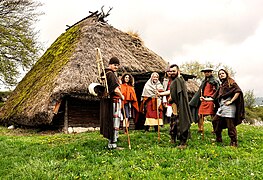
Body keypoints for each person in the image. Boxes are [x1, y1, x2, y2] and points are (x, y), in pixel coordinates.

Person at [201, 69, 245, 147]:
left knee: (230, 125)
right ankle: (218, 138)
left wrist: (231, 101)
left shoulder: (231, 82)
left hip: (229, 108)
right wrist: (205, 99)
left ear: (226, 74)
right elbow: (214, 97)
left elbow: (238, 91)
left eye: (222, 73)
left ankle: (234, 142)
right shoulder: (221, 85)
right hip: (222, 108)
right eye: (220, 74)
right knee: (215, 121)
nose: (221, 75)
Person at [100, 57, 125, 150]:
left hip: (109, 101)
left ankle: (112, 142)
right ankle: (113, 144)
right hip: (114, 101)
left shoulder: (105, 74)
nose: (116, 67)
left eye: (117, 65)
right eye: (115, 65)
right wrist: (122, 96)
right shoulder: (110, 74)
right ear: (110, 64)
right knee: (114, 121)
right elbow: (115, 89)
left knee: (111, 121)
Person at [168, 64, 193, 149]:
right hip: (175, 106)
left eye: (173, 71)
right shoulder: (175, 81)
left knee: (181, 122)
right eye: (170, 71)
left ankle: (183, 143)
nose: (171, 73)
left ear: (178, 71)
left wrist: (171, 99)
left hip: (180, 105)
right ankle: (173, 138)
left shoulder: (179, 80)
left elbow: (178, 94)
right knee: (174, 122)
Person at [189, 67, 220, 133]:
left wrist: (214, 99)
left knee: (212, 115)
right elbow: (201, 90)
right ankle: (200, 129)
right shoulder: (204, 81)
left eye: (208, 72)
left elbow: (217, 91)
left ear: (211, 72)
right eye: (205, 72)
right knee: (200, 114)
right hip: (203, 99)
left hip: (211, 100)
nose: (207, 73)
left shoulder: (214, 81)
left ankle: (215, 129)